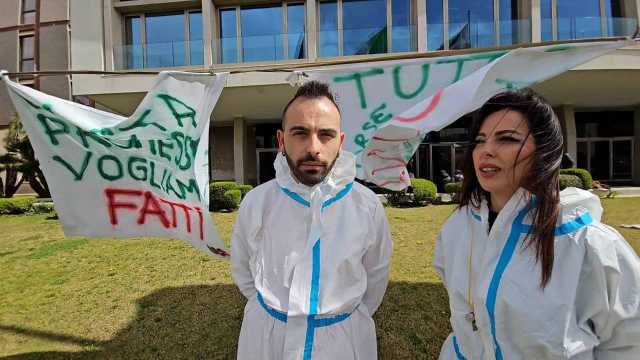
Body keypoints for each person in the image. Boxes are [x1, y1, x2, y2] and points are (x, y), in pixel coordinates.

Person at [434, 89, 640, 359]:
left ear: (544, 151)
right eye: (480, 140)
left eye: (507, 139)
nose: (487, 151)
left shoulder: (589, 243)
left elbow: (629, 341)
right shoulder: (458, 229)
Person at [231, 81, 393, 360]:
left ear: (340, 142)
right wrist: (276, 316)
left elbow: (375, 277)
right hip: (267, 341)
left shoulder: (366, 206)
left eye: (326, 135)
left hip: (342, 343)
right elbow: (243, 270)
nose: (314, 148)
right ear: (282, 141)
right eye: (301, 133)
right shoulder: (257, 203)